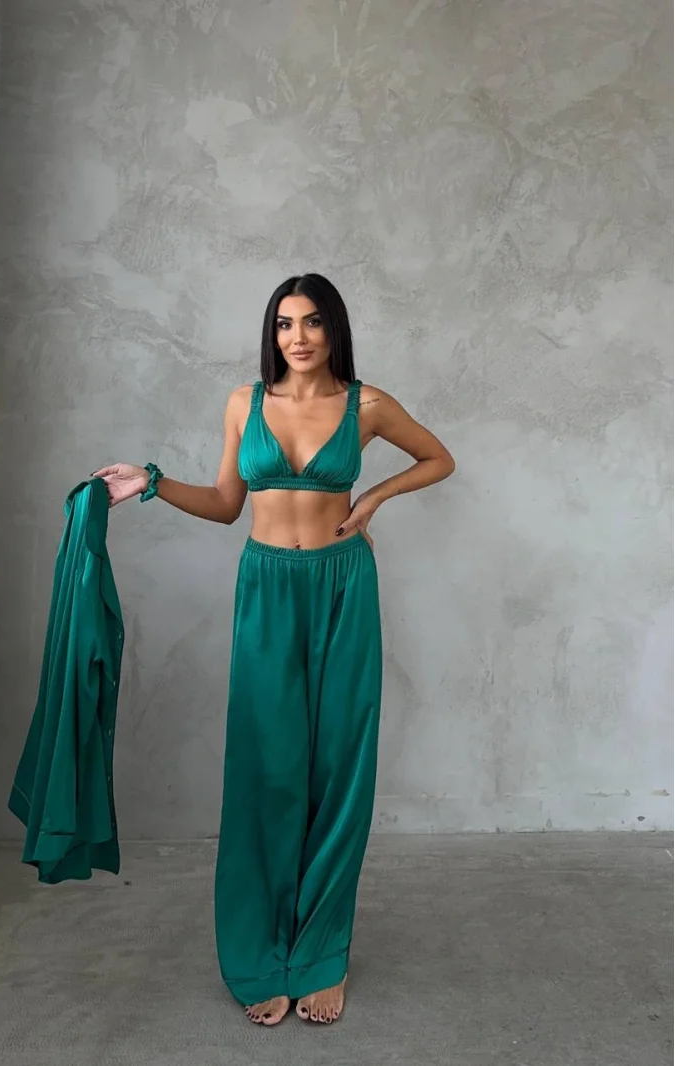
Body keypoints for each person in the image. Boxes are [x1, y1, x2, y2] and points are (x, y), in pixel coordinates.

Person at [94, 273, 455, 1027]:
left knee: (338, 768)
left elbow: (437, 458)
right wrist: (151, 482)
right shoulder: (244, 403)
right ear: (273, 333)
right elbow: (227, 505)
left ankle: (322, 955)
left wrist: (373, 499)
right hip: (266, 588)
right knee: (268, 766)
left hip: (342, 585)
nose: (298, 337)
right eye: (285, 324)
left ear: (334, 329)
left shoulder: (368, 405)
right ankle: (262, 950)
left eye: (313, 322)